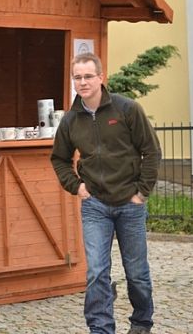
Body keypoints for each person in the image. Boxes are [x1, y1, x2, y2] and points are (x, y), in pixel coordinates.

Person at [51, 52, 161, 334]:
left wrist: (141, 192)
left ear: (101, 77)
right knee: (97, 271)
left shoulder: (127, 109)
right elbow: (59, 159)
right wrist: (77, 186)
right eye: (77, 77)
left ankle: (141, 323)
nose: (83, 82)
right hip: (95, 206)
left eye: (88, 76)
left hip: (130, 204)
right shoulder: (70, 120)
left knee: (136, 273)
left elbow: (151, 151)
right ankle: (100, 328)